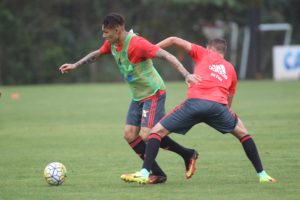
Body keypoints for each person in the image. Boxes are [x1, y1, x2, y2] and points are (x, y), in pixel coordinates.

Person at [59, 14, 201, 184]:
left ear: (118, 29)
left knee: (148, 134)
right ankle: (166, 168)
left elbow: (167, 56)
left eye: (106, 32)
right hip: (137, 97)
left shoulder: (137, 44)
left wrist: (186, 74)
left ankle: (146, 172)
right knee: (129, 135)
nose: (104, 36)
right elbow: (96, 53)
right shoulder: (112, 43)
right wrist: (75, 65)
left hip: (154, 93)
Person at [121, 37, 277, 184]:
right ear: (223, 52)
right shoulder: (230, 68)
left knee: (154, 133)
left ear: (209, 48)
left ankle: (145, 172)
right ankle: (262, 174)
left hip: (194, 104)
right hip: (218, 107)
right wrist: (221, 113)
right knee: (244, 134)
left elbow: (174, 40)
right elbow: (229, 100)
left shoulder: (203, 52)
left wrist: (151, 50)